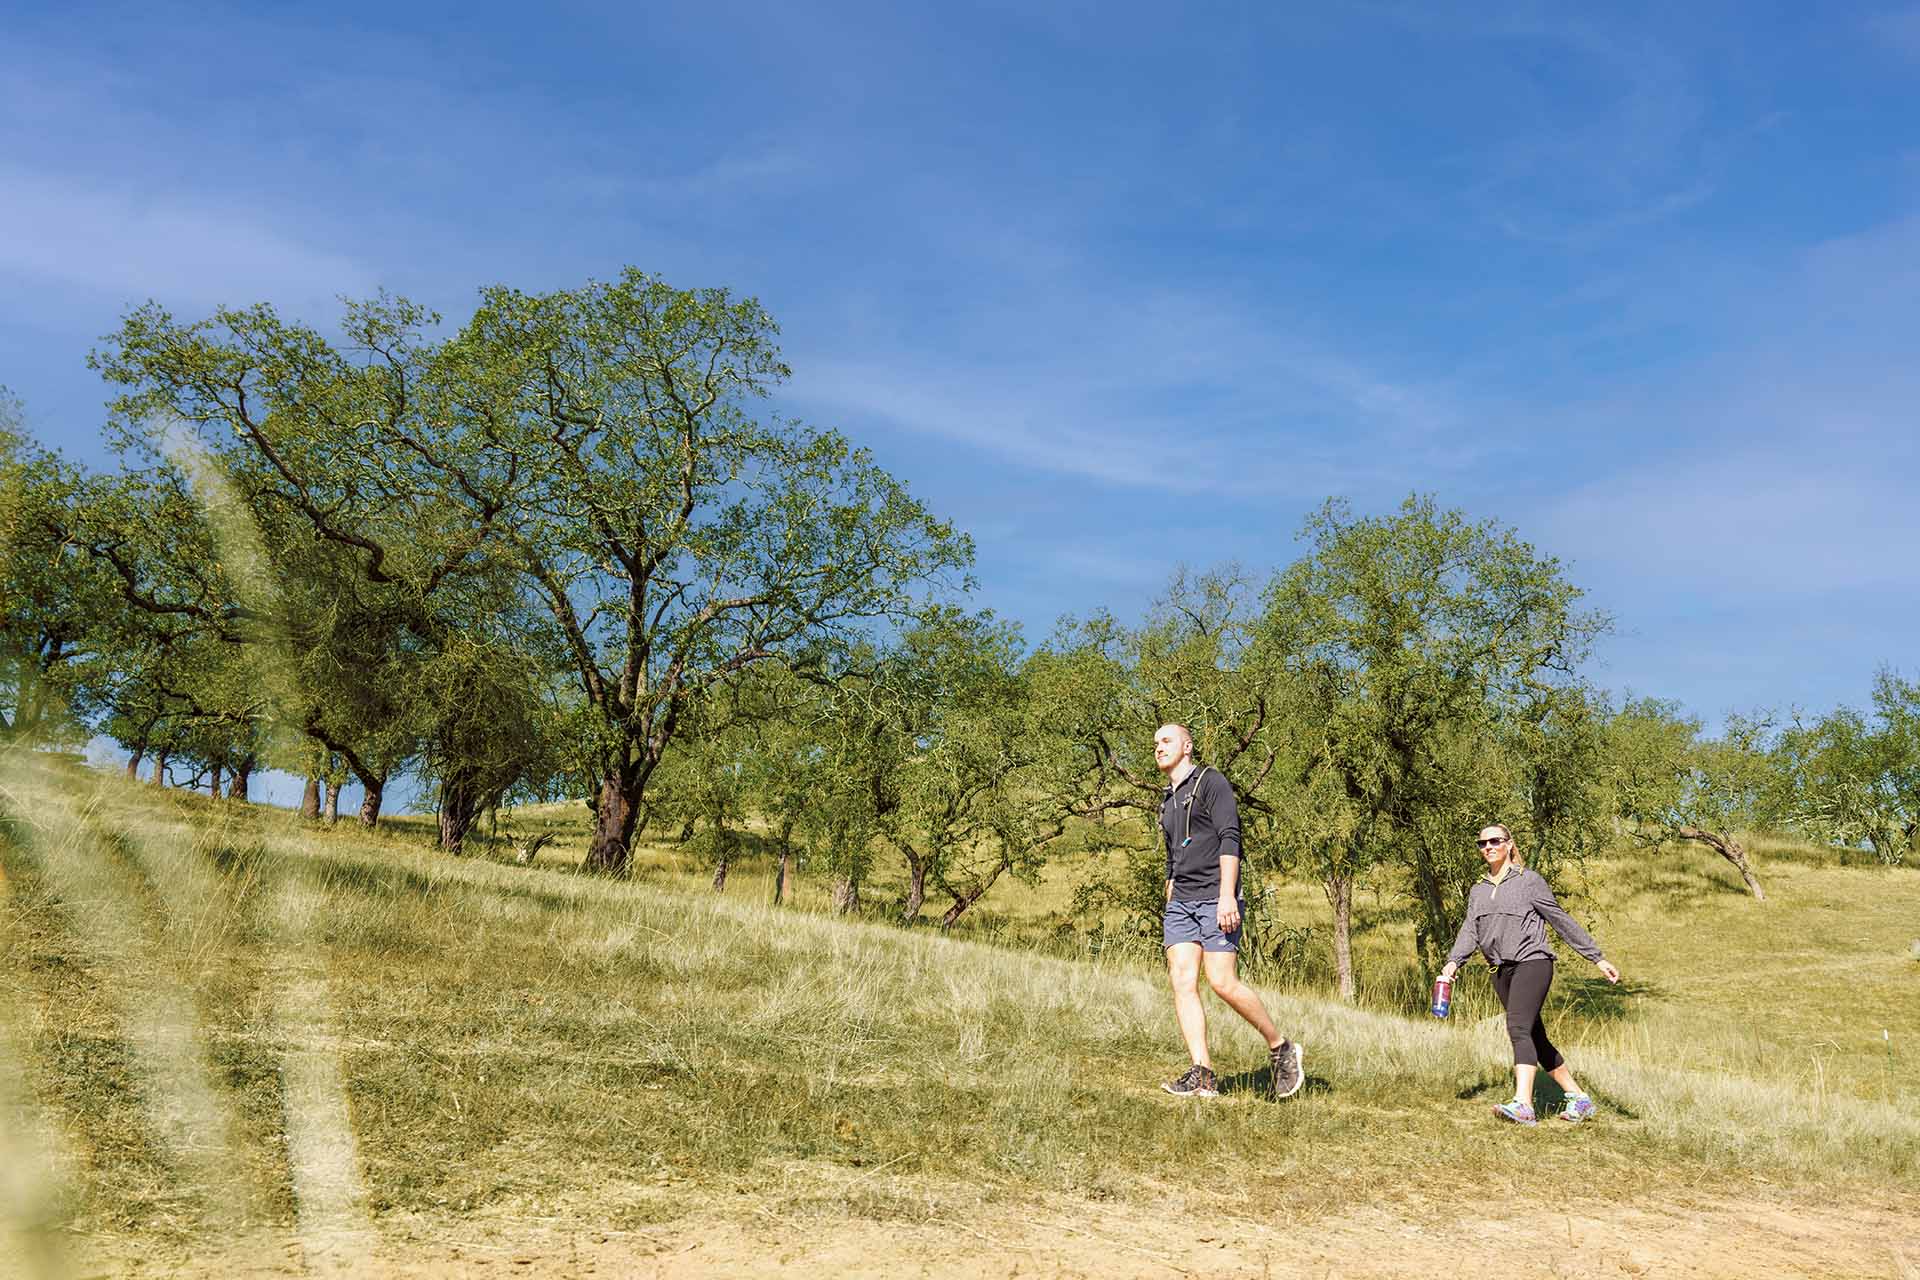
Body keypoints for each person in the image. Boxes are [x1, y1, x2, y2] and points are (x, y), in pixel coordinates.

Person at [1153, 723, 1304, 1100]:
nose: (1158, 747)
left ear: (1187, 746)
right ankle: (1202, 1073)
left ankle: (1281, 1047)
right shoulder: (1167, 801)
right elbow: (1174, 852)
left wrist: (1225, 896)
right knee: (1182, 981)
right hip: (1182, 903)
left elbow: (1229, 837)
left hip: (1215, 898)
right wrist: (1170, 886)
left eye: (1166, 740)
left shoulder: (1211, 782)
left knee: (1222, 982)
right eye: (1155, 743)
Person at [1439, 823, 1622, 1125]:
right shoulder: (1478, 890)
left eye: (1495, 841)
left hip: (1532, 961)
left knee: (1518, 1028)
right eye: (1482, 843)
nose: (1488, 847)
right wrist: (1453, 961)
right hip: (1500, 970)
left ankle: (1524, 1104)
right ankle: (1579, 1098)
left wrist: (1596, 958)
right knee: (1534, 1034)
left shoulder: (1529, 882)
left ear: (1509, 844)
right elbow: (1470, 929)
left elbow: (1559, 919)